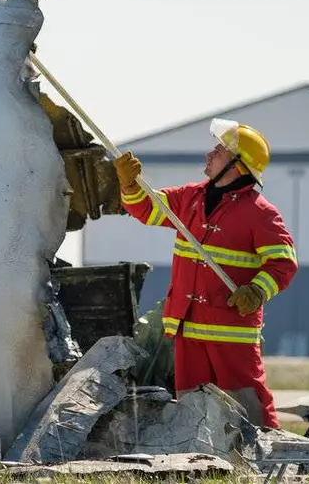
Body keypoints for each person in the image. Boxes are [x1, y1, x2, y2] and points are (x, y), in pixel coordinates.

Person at [113, 118, 297, 428]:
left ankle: (269, 450)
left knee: (247, 404)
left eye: (219, 151)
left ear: (238, 166)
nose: (210, 154)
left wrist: (256, 291)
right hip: (187, 328)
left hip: (230, 332)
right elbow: (147, 208)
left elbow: (283, 263)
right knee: (191, 407)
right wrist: (129, 186)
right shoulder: (190, 198)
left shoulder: (260, 213)